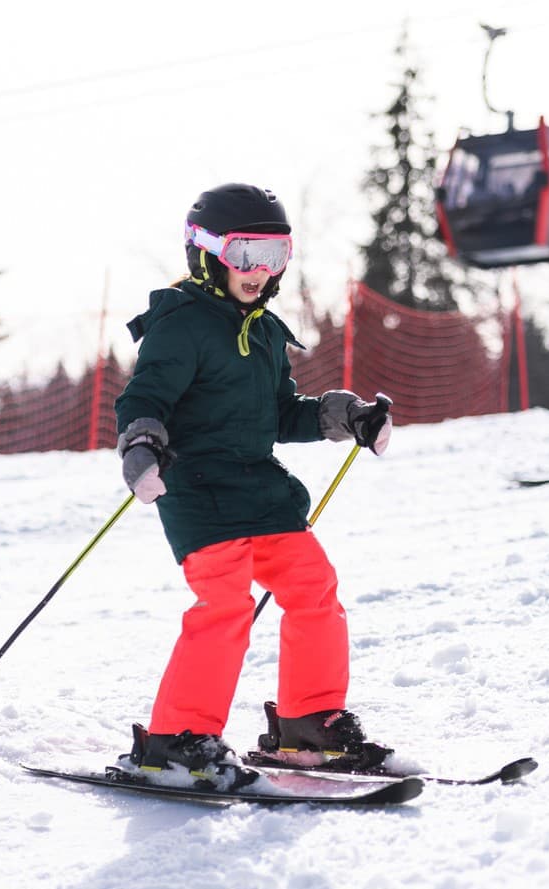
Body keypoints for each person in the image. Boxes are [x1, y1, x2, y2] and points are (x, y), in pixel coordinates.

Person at [113, 183, 394, 784]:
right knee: (226, 604)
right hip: (194, 489)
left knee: (314, 585)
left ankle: (307, 724)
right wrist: (141, 444)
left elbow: (279, 414)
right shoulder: (180, 324)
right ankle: (176, 740)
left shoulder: (265, 330)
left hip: (261, 489)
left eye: (274, 254)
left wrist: (343, 415)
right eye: (245, 254)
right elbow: (146, 396)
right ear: (206, 252)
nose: (259, 271)